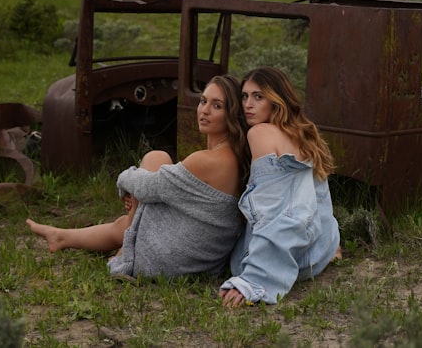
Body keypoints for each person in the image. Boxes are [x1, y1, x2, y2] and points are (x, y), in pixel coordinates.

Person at [26, 74, 249, 280]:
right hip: (204, 262)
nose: (205, 110)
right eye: (203, 101)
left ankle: (126, 254)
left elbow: (146, 187)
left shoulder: (208, 161)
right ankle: (62, 237)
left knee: (156, 158)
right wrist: (140, 196)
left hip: (174, 261)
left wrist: (125, 181)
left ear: (232, 114)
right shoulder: (234, 156)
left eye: (216, 106)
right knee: (136, 209)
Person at [219, 66, 341, 306]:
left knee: (236, 260)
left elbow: (275, 211)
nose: (248, 105)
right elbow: (316, 200)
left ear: (277, 101)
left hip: (290, 259)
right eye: (244, 96)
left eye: (258, 96)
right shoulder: (303, 135)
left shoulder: (260, 133)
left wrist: (253, 280)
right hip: (321, 248)